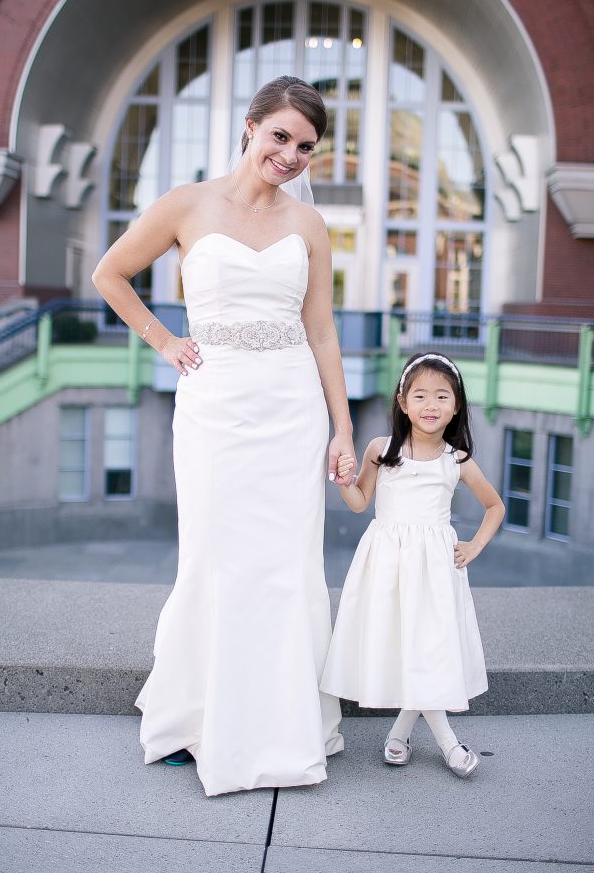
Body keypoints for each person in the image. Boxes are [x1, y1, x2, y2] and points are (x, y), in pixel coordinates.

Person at [92, 75, 356, 796]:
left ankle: (280, 724)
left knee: (284, 564)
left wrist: (340, 427)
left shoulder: (309, 226)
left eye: (306, 146)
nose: (291, 154)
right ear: (250, 126)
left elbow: (322, 331)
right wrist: (162, 340)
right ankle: (194, 719)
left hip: (291, 406)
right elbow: (110, 273)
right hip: (214, 406)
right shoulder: (187, 203)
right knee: (213, 557)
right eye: (280, 136)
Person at [320, 352, 505, 778]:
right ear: (402, 402)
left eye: (442, 396)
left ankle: (426, 739)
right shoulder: (380, 450)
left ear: (456, 406)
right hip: (386, 563)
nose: (431, 405)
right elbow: (359, 503)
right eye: (420, 395)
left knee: (428, 649)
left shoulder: (455, 460)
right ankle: (420, 739)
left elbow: (494, 506)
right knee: (408, 648)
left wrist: (475, 545)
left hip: (435, 569)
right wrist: (344, 480)